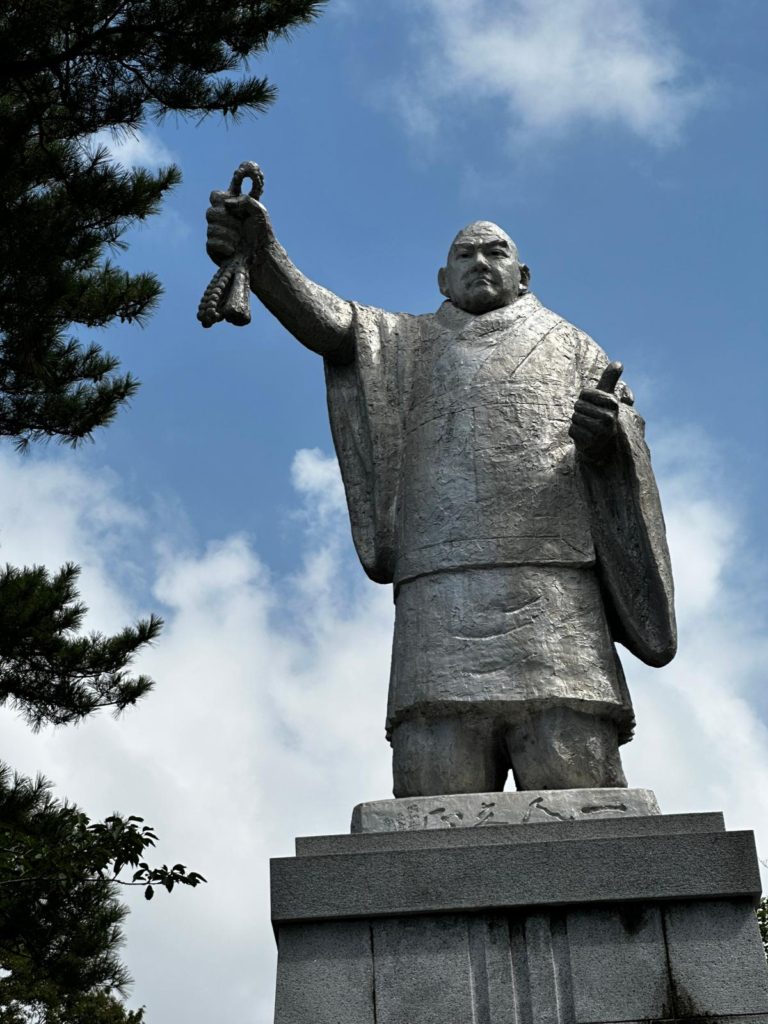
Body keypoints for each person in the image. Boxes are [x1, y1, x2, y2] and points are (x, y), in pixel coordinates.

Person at [206, 191, 676, 797]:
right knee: (434, 766)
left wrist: (609, 438)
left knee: (572, 764)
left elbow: (623, 443)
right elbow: (332, 325)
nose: (480, 262)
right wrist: (264, 257)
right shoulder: (407, 341)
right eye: (465, 254)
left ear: (523, 274)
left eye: (496, 251)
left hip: (554, 587)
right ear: (442, 277)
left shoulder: (577, 350)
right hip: (440, 586)